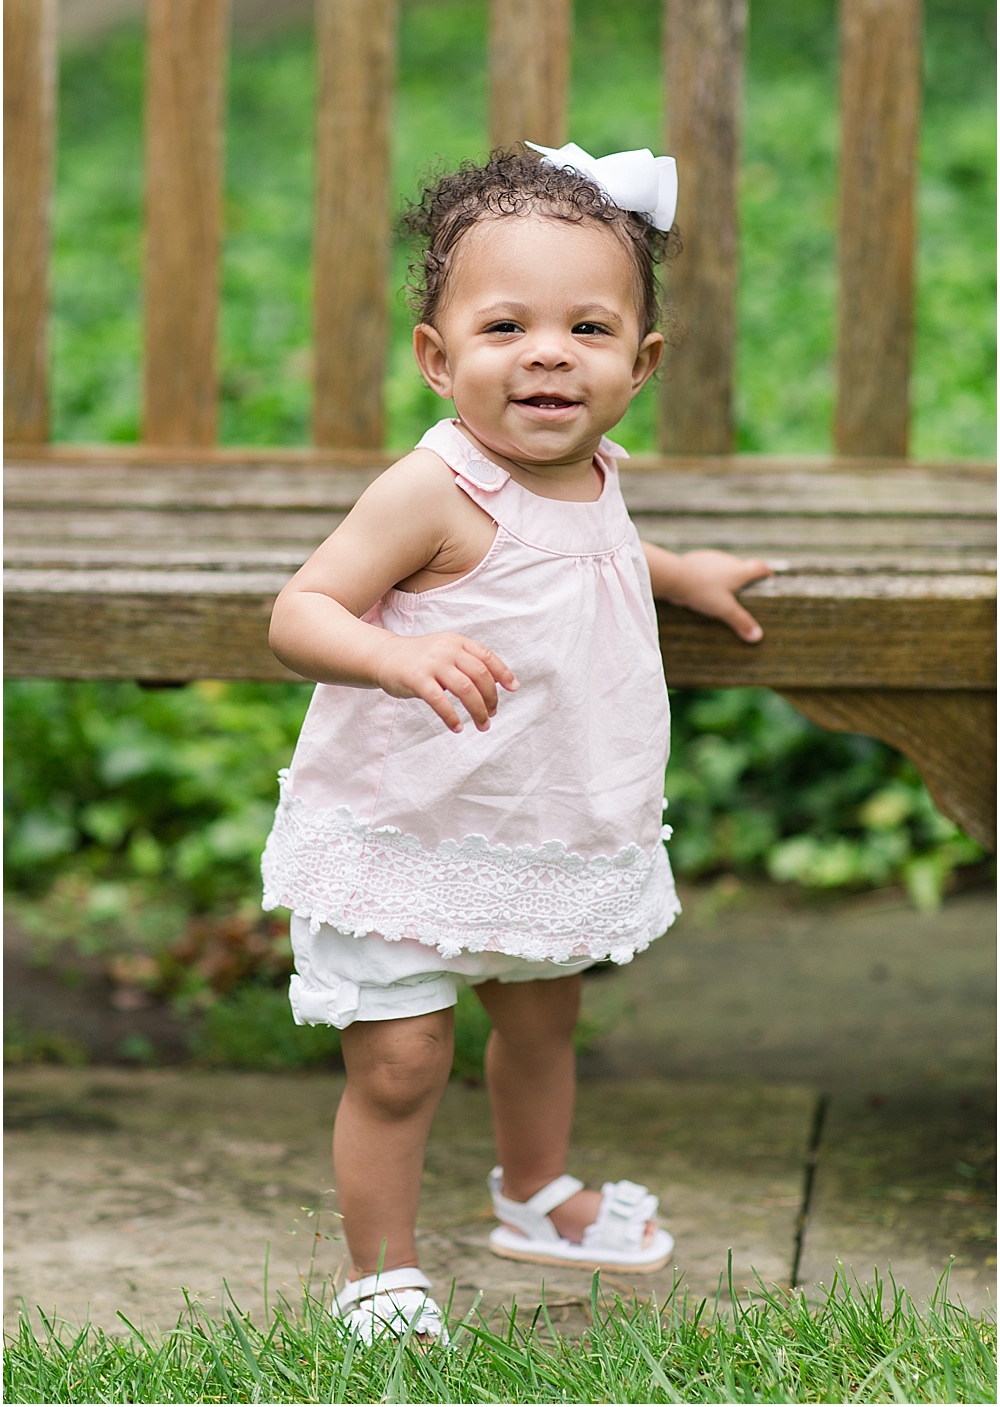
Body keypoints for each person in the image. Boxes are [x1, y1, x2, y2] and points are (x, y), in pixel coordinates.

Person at [262, 144, 770, 1344]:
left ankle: (534, 1191)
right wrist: (392, 654)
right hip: (408, 828)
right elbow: (298, 612)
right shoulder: (431, 489)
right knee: (401, 1062)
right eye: (505, 325)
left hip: (536, 825)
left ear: (637, 366)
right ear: (439, 358)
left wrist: (680, 573)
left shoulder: (591, 476)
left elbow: (584, 555)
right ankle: (380, 1277)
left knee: (542, 1018)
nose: (547, 351)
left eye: (587, 326)